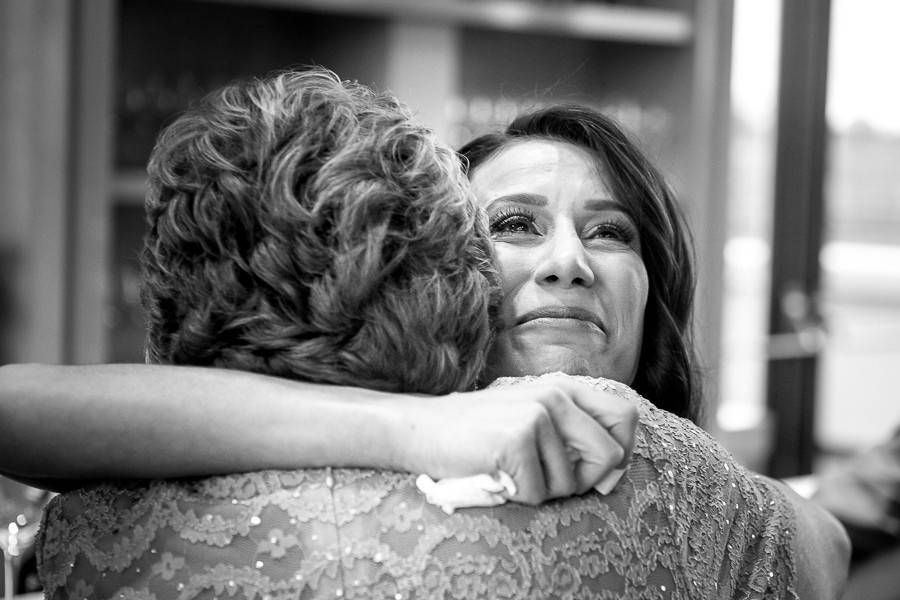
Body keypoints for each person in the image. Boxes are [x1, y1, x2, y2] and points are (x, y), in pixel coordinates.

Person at [3, 68, 848, 598]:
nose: (569, 263)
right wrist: (427, 426)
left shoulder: (687, 480)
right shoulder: (188, 450)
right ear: (443, 264)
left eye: (612, 232)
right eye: (515, 223)